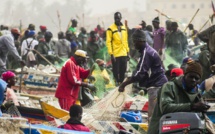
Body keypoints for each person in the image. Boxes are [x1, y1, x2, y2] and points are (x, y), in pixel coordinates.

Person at [148, 62, 215, 134]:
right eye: (191, 76)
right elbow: (165, 107)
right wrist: (192, 106)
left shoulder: (197, 93)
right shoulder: (170, 86)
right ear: (185, 75)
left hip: (181, 130)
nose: (193, 80)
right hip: (161, 129)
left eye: (196, 78)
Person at [118, 29, 168, 120]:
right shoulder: (147, 51)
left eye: (134, 42)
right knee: (158, 114)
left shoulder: (146, 53)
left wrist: (124, 84)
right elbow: (140, 70)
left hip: (156, 86)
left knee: (153, 116)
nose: (134, 45)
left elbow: (139, 74)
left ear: (140, 40)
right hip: (159, 85)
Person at [106, 12, 130, 85]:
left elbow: (125, 41)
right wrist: (111, 54)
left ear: (121, 18)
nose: (117, 19)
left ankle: (121, 84)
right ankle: (117, 84)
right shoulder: (110, 29)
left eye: (118, 18)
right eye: (115, 18)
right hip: (116, 54)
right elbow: (108, 42)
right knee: (116, 71)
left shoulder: (124, 28)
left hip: (123, 53)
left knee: (123, 70)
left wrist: (128, 52)